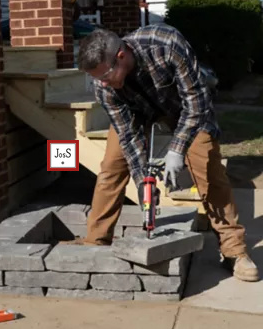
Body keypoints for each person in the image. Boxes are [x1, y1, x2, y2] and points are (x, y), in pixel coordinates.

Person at [75, 23, 259, 282]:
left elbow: (196, 102)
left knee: (208, 168)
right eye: (97, 78)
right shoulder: (104, 87)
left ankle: (234, 251)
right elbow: (129, 136)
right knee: (111, 168)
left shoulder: (165, 44)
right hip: (136, 112)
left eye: (105, 75)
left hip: (184, 108)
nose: (102, 83)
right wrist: (144, 183)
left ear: (121, 56)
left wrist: (177, 149)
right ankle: (96, 241)